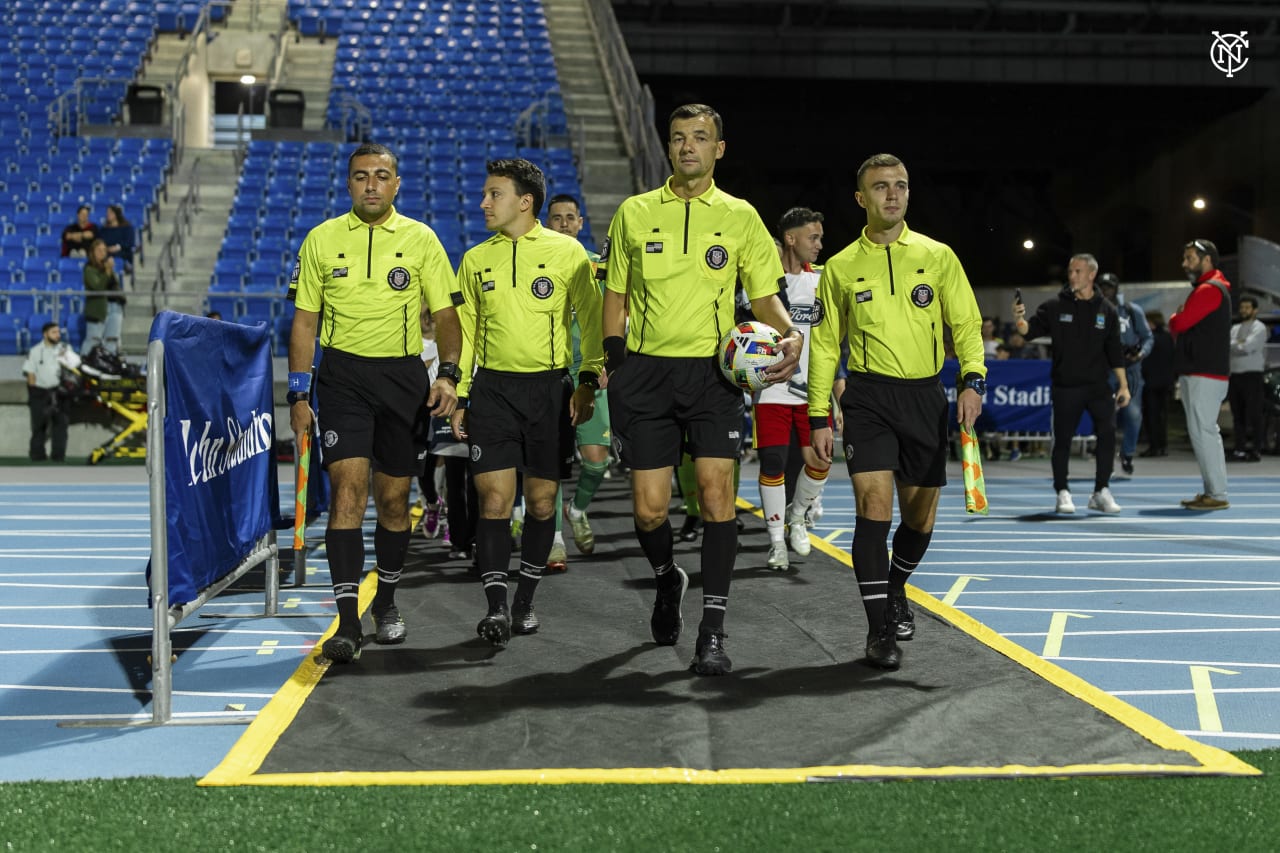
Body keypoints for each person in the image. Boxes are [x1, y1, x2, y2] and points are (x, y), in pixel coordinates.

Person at [601, 103, 802, 676]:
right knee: (648, 512)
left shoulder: (741, 217)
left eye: (701, 138)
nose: (688, 146)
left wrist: (789, 335)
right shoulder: (634, 213)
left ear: (720, 148)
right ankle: (669, 579)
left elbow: (764, 298)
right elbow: (614, 295)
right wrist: (615, 361)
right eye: (679, 138)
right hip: (644, 375)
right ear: (668, 147)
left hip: (715, 376)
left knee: (717, 501)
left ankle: (712, 632)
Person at [808, 152, 985, 671]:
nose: (893, 194)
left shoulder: (939, 256)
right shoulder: (839, 267)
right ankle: (878, 628)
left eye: (901, 185)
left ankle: (896, 585)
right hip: (867, 398)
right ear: (861, 198)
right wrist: (820, 413)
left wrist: (971, 380)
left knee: (920, 516)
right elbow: (823, 347)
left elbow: (967, 325)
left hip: (926, 397)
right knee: (872, 509)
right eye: (881, 186)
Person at [288, 142, 463, 664]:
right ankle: (346, 624)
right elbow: (304, 323)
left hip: (402, 380)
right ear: (348, 183)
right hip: (342, 378)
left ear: (396, 184)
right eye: (361, 176)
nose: (371, 184)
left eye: (381, 175)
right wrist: (299, 392)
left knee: (392, 502)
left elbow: (448, 317)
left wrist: (450, 375)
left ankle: (385, 602)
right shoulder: (320, 240)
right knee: (347, 491)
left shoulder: (422, 240)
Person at [451, 159, 603, 649]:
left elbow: (593, 320)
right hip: (492, 391)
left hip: (548, 391)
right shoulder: (475, 259)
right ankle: (496, 607)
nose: (483, 203)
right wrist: (460, 394)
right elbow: (468, 332)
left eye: (493, 194)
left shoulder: (568, 253)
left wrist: (586, 380)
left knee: (540, 504)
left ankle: (525, 601)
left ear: (524, 201)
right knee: (494, 501)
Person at [1013, 253, 1129, 515]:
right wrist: (1019, 319)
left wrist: (1123, 386)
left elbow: (1115, 352)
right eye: (1070, 271)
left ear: (1091, 274)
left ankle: (1101, 491)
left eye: (1077, 271)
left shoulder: (1107, 310)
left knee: (1108, 436)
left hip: (1099, 387)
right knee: (1063, 440)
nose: (1072, 276)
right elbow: (1028, 331)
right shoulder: (1055, 306)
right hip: (1066, 386)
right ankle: (1062, 492)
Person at [755, 206, 833, 571]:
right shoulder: (763, 286)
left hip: (812, 391)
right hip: (772, 386)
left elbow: (833, 342)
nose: (819, 244)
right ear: (791, 238)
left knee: (820, 460)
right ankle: (775, 543)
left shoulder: (823, 282)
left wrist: (838, 389)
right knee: (772, 462)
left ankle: (797, 516)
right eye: (813, 237)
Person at [545, 192, 610, 562]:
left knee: (597, 460)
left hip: (588, 371)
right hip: (551, 372)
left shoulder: (596, 266)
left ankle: (578, 510)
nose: (565, 224)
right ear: (547, 221)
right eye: (558, 218)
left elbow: (609, 315)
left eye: (571, 217)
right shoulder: (540, 261)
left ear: (581, 223)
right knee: (551, 460)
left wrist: (605, 365)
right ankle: (555, 538)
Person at [1171, 239, 1233, 510]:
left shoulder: (1209, 290)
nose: (1185, 264)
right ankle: (1212, 491)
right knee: (1202, 432)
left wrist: (1176, 318)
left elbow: (1179, 322)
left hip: (1204, 372)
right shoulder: (1207, 288)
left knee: (1205, 432)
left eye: (1189, 258)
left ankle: (1217, 494)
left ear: (1206, 259)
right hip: (1202, 371)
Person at [1096, 272, 1152, 476]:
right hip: (1105, 369)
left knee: (1133, 414)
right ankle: (1105, 457)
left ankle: (1127, 453)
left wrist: (1140, 353)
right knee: (1104, 416)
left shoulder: (1131, 310)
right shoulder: (1094, 310)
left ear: (1117, 288)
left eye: (1109, 286)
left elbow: (1148, 338)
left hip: (1130, 370)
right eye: (1102, 286)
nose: (1106, 290)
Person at [22, 322, 71, 462]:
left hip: (60, 391)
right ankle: (37, 456)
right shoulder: (35, 351)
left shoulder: (65, 349)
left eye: (58, 332)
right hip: (40, 391)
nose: (58, 335)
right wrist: (33, 392)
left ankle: (58, 456)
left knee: (60, 425)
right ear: (45, 334)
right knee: (38, 425)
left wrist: (65, 357)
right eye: (54, 332)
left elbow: (74, 367)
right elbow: (30, 372)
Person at [1227, 295, 1267, 462]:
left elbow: (1248, 347)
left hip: (1252, 374)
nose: (1243, 310)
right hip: (1234, 375)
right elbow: (1228, 346)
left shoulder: (1260, 328)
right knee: (1238, 414)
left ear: (1255, 310)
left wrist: (1237, 345)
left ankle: (1257, 449)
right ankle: (1240, 449)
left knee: (1254, 413)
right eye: (1242, 307)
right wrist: (1239, 344)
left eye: (1247, 307)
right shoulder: (1235, 328)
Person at [1140, 311, 1175, 457]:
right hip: (1166, 382)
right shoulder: (1168, 337)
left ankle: (1154, 446)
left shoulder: (1150, 339)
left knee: (1151, 415)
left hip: (1151, 382)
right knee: (1162, 415)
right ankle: (1163, 445)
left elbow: (1146, 360)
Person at [82, 238, 125, 355]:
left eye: (104, 250)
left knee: (112, 339)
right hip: (97, 308)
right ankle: (86, 362)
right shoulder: (89, 268)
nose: (102, 253)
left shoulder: (108, 268)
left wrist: (109, 270)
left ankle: (108, 363)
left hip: (114, 306)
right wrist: (107, 271)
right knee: (93, 339)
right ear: (92, 252)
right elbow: (97, 287)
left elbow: (115, 285)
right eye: (99, 250)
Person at [99, 204, 136, 279]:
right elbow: (99, 242)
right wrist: (105, 248)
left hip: (122, 252)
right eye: (107, 213)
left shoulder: (127, 228)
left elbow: (129, 243)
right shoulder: (104, 230)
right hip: (106, 252)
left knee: (116, 257)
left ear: (116, 214)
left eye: (110, 213)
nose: (108, 215)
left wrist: (118, 247)